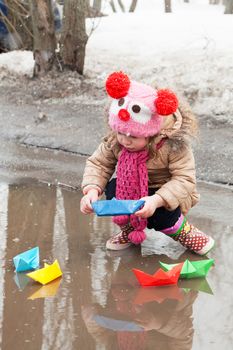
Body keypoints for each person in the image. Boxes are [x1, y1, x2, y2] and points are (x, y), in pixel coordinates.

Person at [80, 71, 215, 255]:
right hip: (132, 188)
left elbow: (184, 180)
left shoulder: (172, 145)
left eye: (133, 137)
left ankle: (184, 232)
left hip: (164, 194)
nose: (125, 141)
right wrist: (92, 190)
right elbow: (100, 163)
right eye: (121, 133)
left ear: (152, 133)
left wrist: (156, 200)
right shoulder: (117, 139)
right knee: (114, 193)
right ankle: (129, 231)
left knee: (161, 217)